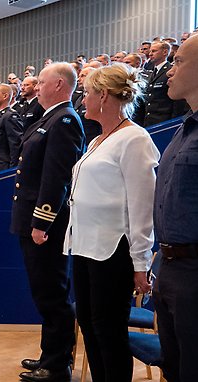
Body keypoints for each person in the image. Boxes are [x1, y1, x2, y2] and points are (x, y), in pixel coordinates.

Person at [66, 64, 158, 382]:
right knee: (91, 326)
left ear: (103, 95)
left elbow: (142, 207)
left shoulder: (135, 138)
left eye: (87, 93)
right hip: (85, 246)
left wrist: (140, 262)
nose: (83, 100)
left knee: (109, 331)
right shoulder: (96, 142)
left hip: (112, 249)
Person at [10, 63, 85, 382]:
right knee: (42, 290)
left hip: (45, 224)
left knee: (52, 291)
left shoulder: (65, 119)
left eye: (40, 82)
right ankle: (48, 353)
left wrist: (42, 222)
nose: (35, 87)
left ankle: (58, 364)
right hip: (31, 218)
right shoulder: (47, 117)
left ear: (58, 85)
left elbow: (56, 178)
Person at [153, 34, 198, 382]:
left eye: (179, 61)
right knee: (174, 367)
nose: (170, 69)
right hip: (169, 267)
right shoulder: (185, 129)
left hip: (194, 274)